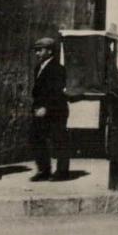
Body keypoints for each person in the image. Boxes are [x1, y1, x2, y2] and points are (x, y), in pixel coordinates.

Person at [29, 36, 71, 181]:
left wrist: (46, 107)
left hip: (55, 110)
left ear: (50, 51)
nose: (37, 53)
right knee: (37, 139)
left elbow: (56, 91)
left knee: (58, 140)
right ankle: (44, 170)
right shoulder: (38, 68)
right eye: (36, 51)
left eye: (40, 50)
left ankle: (62, 171)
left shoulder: (57, 69)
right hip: (40, 110)